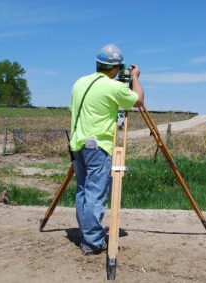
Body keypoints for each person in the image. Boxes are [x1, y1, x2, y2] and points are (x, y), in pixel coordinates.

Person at [69, 44, 144, 255]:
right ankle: (93, 242)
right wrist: (135, 77)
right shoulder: (113, 87)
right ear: (115, 68)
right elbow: (138, 100)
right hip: (98, 147)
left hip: (78, 144)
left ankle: (86, 232)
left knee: (83, 190)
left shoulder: (79, 83)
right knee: (95, 192)